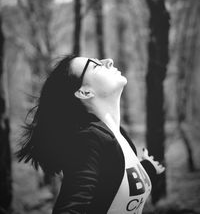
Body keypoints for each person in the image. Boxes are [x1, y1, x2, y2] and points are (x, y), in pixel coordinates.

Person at [17, 55, 165, 214]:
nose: (109, 61)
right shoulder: (88, 140)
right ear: (84, 92)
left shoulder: (118, 135)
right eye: (95, 65)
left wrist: (146, 170)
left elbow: (109, 187)